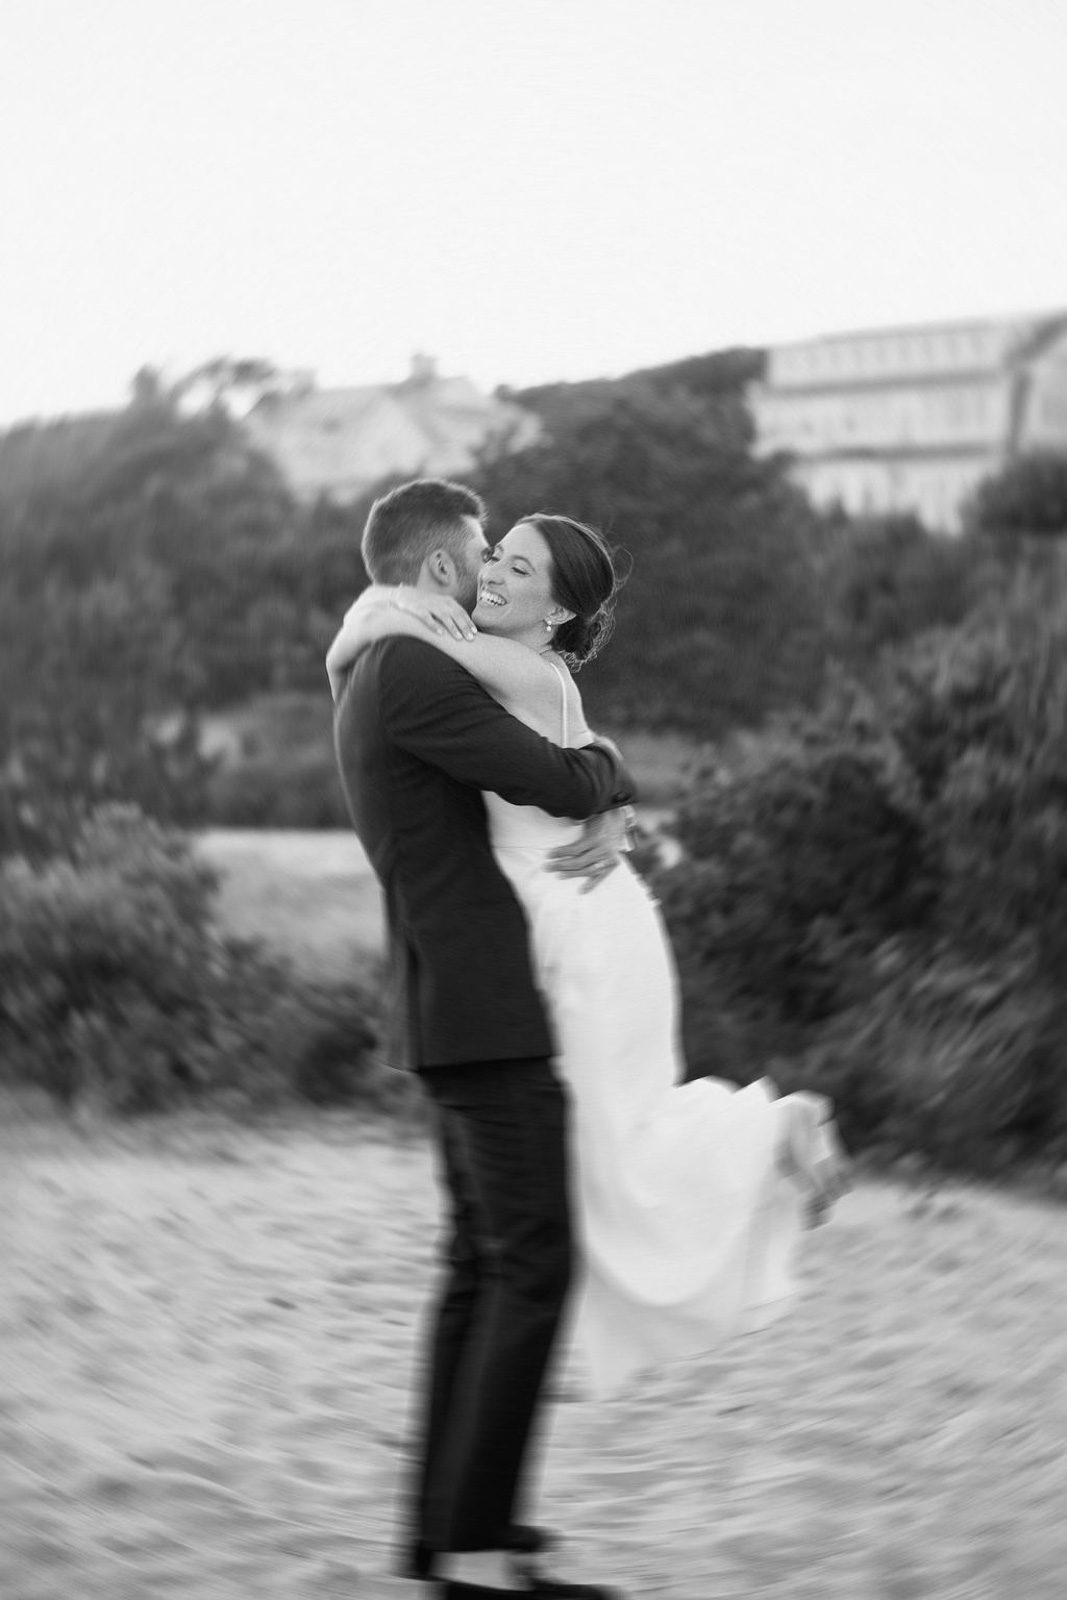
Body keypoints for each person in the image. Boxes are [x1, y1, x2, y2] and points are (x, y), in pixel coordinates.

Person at [327, 510, 849, 1407]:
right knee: (606, 1149)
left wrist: (384, 612)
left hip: (582, 934)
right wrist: (611, 793)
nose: (490, 573)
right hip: (574, 924)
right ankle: (772, 1133)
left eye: (517, 570)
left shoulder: (510, 662)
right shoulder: (534, 669)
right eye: (495, 555)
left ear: (557, 614)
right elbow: (588, 753)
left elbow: (372, 643)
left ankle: (779, 1127)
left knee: (615, 1151)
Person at [330, 479, 635, 1600]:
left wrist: (600, 787)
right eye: (475, 555)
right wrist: (613, 785)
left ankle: (454, 1536)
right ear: (433, 569)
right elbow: (558, 775)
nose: (481, 575)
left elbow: (547, 746)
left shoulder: (379, 657)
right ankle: (474, 1551)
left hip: (453, 1003)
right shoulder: (408, 665)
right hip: (483, 1002)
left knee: (477, 1274)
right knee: (531, 1264)